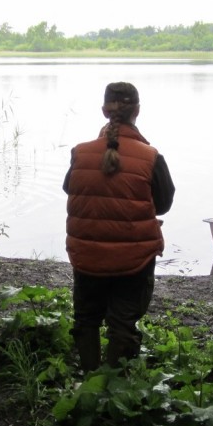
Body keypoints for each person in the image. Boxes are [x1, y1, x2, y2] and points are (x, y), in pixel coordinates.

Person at [64, 82, 175, 371]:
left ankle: (90, 380)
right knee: (123, 321)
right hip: (133, 259)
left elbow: (70, 189)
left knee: (86, 318)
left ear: (104, 111)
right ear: (137, 111)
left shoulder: (79, 152)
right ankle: (115, 387)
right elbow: (163, 205)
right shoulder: (151, 157)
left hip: (86, 254)